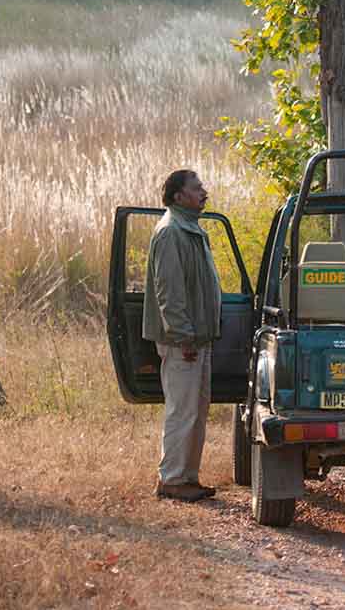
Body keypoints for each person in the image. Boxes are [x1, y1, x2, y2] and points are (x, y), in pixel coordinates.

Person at [143, 169, 223, 502]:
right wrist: (184, 336)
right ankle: (172, 479)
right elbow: (169, 292)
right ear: (179, 196)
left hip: (198, 338)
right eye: (196, 187)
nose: (203, 191)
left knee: (196, 409)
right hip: (183, 341)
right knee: (182, 409)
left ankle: (187, 478)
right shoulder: (171, 232)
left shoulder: (190, 228)